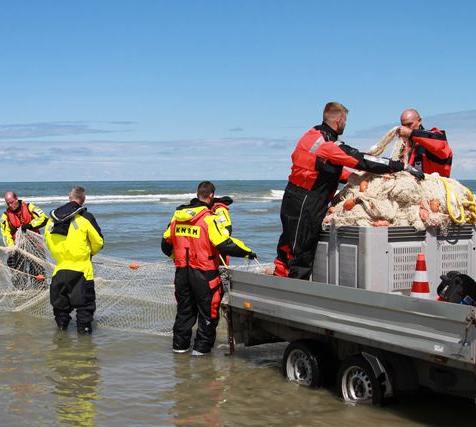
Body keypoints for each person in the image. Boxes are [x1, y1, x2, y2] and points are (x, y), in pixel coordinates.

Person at [273, 102, 423, 279]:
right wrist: (400, 166)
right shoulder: (328, 144)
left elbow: (319, 167)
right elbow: (361, 159)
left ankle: (278, 281)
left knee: (287, 246)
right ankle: (294, 296)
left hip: (294, 196)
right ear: (338, 120)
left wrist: (353, 178)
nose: (345, 125)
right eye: (345, 121)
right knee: (301, 252)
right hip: (307, 202)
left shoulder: (310, 135)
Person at [161, 181, 256, 356]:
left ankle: (179, 350)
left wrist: (179, 258)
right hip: (204, 275)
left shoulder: (176, 217)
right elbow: (225, 244)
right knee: (208, 314)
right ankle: (201, 353)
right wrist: (248, 252)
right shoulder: (208, 219)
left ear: (197, 194)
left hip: (182, 273)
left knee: (184, 311)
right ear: (211, 196)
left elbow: (165, 245)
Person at [44, 186, 104, 334]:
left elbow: (48, 241)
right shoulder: (85, 217)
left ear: (69, 198)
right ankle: (84, 348)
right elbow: (98, 242)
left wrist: (62, 256)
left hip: (59, 270)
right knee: (85, 309)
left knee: (60, 311)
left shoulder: (51, 221)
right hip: (82, 271)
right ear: (82, 200)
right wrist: (88, 254)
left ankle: (61, 344)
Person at [0, 191, 49, 283]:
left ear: (16, 199)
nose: (10, 205)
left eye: (12, 202)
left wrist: (28, 226)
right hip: (18, 247)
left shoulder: (29, 207)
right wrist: (11, 248)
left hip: (35, 245)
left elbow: (44, 218)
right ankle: (22, 294)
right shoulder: (5, 215)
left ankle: (39, 291)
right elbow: (6, 234)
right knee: (18, 275)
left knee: (38, 273)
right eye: (8, 203)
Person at [397, 108, 453, 177]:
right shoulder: (404, 146)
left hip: (435, 185)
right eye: (403, 125)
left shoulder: (433, 138)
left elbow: (439, 143)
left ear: (419, 121)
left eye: (409, 125)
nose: (405, 128)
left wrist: (411, 133)